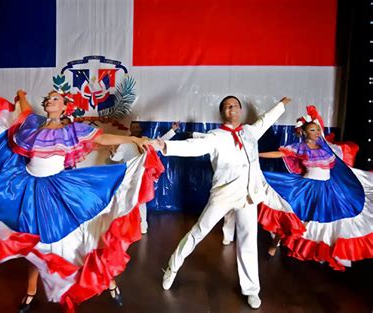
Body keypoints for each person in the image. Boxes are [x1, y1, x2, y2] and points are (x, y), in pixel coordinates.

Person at [0, 89, 163, 313]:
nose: (49, 101)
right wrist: (22, 96)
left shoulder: (72, 130)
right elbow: (24, 111)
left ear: (65, 106)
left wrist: (134, 139)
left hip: (58, 190)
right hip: (27, 188)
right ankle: (31, 291)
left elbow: (102, 138)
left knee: (82, 239)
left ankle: (108, 280)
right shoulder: (32, 124)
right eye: (47, 98)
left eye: (55, 99)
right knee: (31, 241)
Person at [152, 95, 292, 309]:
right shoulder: (215, 136)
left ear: (240, 110)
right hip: (224, 195)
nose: (231, 109)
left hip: (248, 195)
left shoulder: (250, 132)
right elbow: (191, 147)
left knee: (248, 241)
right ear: (222, 113)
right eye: (227, 106)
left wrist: (281, 104)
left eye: (234, 105)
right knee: (199, 231)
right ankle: (172, 266)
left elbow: (266, 120)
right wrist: (166, 146)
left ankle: (251, 290)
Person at [258, 106, 373, 270]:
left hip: (327, 189)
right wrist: (257, 155)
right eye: (313, 129)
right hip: (306, 188)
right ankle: (274, 244)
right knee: (292, 217)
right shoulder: (301, 147)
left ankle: (324, 253)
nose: (317, 131)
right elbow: (281, 154)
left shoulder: (325, 148)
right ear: (305, 132)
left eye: (318, 128)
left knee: (327, 222)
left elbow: (337, 167)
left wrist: (314, 117)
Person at [109, 121, 180, 234]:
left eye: (137, 127)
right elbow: (118, 157)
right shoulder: (125, 142)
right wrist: (113, 153)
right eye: (134, 127)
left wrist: (172, 130)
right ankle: (126, 226)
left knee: (141, 201)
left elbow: (159, 143)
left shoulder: (146, 141)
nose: (136, 129)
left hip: (142, 176)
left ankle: (143, 227)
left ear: (140, 128)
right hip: (129, 176)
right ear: (130, 129)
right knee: (126, 200)